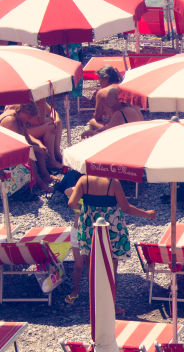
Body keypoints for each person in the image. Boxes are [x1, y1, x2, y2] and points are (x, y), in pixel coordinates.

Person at [65, 174, 156, 307]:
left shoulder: (83, 180)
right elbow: (126, 208)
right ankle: (110, 306)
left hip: (89, 228)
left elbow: (71, 203)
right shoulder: (113, 183)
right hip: (111, 228)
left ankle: (95, 305)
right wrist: (147, 214)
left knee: (91, 266)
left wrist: (86, 210)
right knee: (111, 268)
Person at [0, 102, 59, 191]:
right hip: (5, 152)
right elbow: (18, 146)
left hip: (12, 147)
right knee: (30, 154)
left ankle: (45, 175)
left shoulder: (18, 117)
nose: (29, 120)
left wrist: (39, 144)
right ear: (24, 113)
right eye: (29, 117)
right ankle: (39, 183)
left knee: (38, 147)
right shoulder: (11, 121)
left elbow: (26, 138)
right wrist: (36, 148)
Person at [82, 66, 143, 139]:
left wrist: (94, 133)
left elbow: (98, 117)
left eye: (99, 79)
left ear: (106, 78)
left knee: (92, 122)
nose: (98, 82)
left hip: (125, 131)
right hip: (140, 126)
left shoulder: (103, 92)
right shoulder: (128, 89)